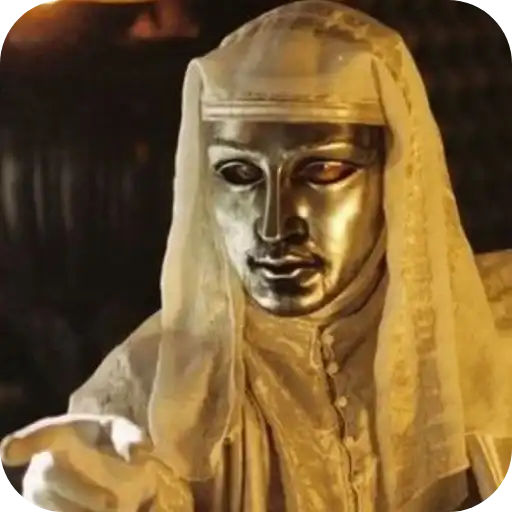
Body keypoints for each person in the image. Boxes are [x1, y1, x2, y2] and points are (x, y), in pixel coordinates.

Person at [1, 1, 512, 510]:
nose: (272, 227)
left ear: (396, 180)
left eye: (321, 172)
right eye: (240, 175)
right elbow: (103, 475)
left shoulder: (491, 343)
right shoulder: (151, 388)